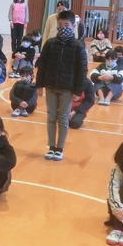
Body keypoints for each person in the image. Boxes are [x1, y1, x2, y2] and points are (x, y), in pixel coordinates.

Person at [35, 10, 88, 161]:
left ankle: (60, 148)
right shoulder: (50, 43)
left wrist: (78, 91)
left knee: (63, 118)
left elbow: (82, 70)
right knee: (51, 117)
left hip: (67, 89)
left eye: (66, 25)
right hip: (50, 86)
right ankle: (51, 147)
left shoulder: (78, 46)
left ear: (73, 26)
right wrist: (39, 85)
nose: (63, 27)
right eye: (60, 25)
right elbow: (42, 65)